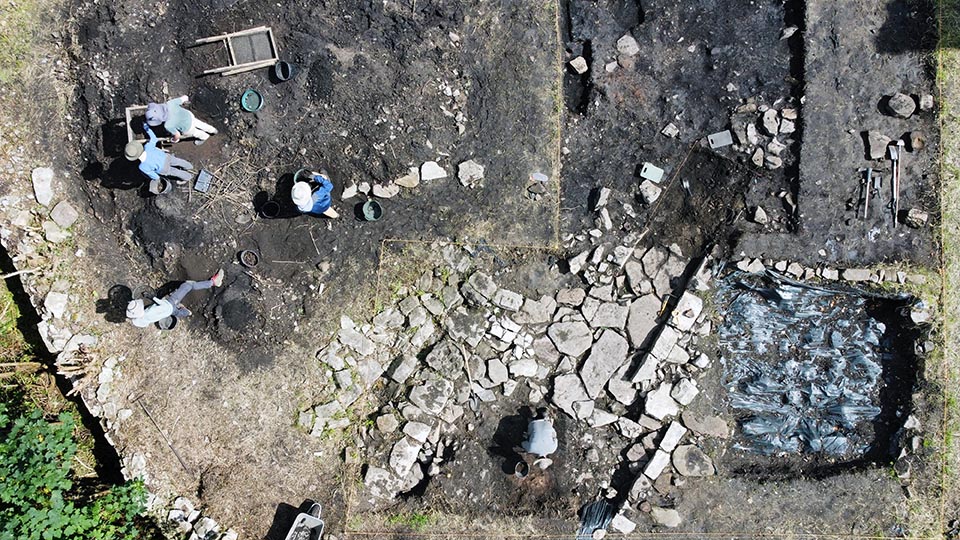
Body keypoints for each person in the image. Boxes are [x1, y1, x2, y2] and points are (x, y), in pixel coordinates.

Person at [126, 268, 224, 328]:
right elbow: (162, 304)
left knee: (177, 312)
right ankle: (214, 282)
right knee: (187, 286)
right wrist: (152, 297)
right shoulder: (149, 312)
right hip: (169, 304)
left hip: (168, 312)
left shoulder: (141, 320)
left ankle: (187, 312)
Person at [124, 123, 195, 191]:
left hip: (163, 169)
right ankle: (189, 166)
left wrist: (154, 178)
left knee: (175, 172)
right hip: (166, 157)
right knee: (178, 161)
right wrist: (146, 127)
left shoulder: (142, 166)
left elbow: (156, 177)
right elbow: (154, 138)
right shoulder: (148, 147)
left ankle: (188, 177)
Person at [145, 95, 218, 145]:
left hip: (187, 128)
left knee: (196, 133)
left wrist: (174, 140)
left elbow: (177, 135)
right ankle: (213, 130)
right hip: (189, 116)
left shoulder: (168, 125)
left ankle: (204, 137)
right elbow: (184, 98)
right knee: (201, 124)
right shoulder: (170, 104)